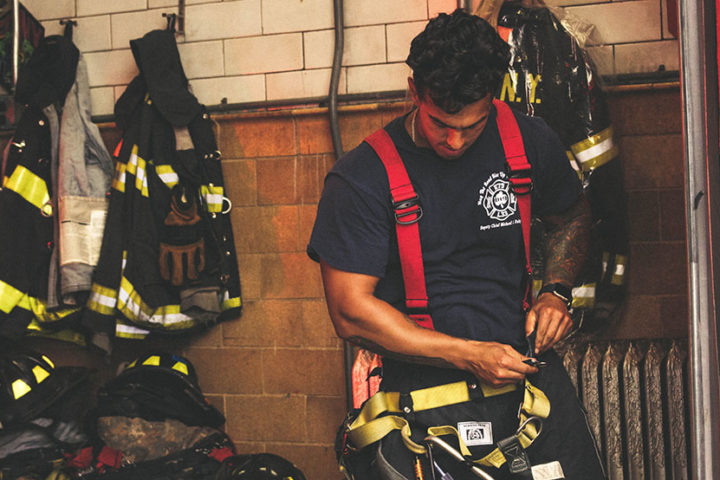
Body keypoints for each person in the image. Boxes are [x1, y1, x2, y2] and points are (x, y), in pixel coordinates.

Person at [307, 9, 605, 480]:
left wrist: (556, 290)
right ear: (414, 93)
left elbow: (571, 213)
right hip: (425, 403)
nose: (454, 140)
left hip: (529, 389)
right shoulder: (361, 178)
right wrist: (465, 353)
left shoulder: (528, 140)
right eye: (440, 122)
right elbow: (350, 312)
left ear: (493, 97)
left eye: (473, 124)